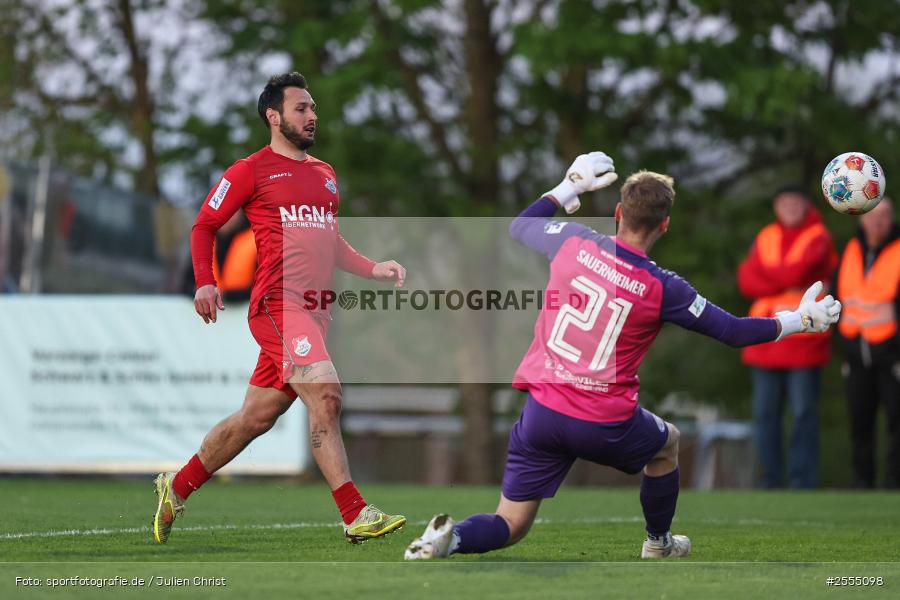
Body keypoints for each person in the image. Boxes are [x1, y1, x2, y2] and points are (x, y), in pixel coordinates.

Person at [403, 153, 842, 560]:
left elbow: (520, 226)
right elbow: (732, 331)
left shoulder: (574, 240)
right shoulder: (665, 287)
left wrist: (568, 186)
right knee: (666, 445)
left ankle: (450, 537)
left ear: (618, 212)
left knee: (511, 523)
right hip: (603, 420)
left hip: (542, 410)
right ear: (664, 226)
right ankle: (658, 542)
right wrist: (800, 320)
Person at [152, 72, 407, 544]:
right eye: (301, 108)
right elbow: (203, 226)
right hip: (277, 305)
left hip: (314, 312)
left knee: (255, 418)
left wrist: (374, 268)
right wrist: (206, 283)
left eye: (313, 108)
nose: (312, 116)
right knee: (326, 395)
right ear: (274, 116)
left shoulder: (325, 174)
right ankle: (355, 513)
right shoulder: (249, 170)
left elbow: (330, 241)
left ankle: (178, 485)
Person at [737, 185, 837, 489]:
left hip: (806, 340)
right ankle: (770, 479)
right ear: (776, 206)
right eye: (784, 202)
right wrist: (781, 276)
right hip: (767, 339)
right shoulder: (766, 235)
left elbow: (799, 274)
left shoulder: (818, 235)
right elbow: (746, 279)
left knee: (804, 412)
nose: (790, 207)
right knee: (765, 414)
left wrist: (769, 276)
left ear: (806, 204)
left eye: (796, 202)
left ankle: (802, 480)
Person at [834, 197, 900, 489]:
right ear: (861, 217)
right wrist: (844, 348)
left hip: (892, 354)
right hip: (855, 353)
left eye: (885, 215)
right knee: (860, 422)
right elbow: (837, 302)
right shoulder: (850, 249)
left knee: (896, 421)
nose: (878, 221)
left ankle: (893, 483)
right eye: (872, 215)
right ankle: (862, 483)